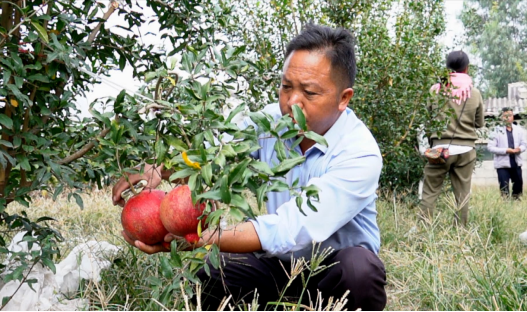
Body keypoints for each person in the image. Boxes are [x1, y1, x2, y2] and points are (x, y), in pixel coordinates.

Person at [112, 24, 387, 311]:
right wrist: (161, 168)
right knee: (212, 270)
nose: (292, 102)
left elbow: (291, 227)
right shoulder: (267, 123)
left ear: (344, 98)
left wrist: (203, 239)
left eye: (309, 92)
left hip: (332, 272)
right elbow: (215, 152)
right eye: (286, 87)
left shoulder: (359, 152)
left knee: (360, 271)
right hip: (278, 266)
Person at [420, 51, 485, 226]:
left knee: (430, 192)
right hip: (465, 150)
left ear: (447, 68)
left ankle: (424, 231)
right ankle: (460, 231)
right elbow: (479, 123)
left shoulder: (436, 90)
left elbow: (427, 120)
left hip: (440, 149)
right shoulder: (475, 92)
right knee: (463, 194)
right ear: (467, 68)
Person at [487, 107, 526, 199]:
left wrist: (520, 149)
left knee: (518, 185)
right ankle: (505, 204)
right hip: (502, 165)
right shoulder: (496, 130)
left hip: (516, 162)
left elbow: (524, 144)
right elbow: (490, 147)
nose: (508, 118)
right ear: (502, 117)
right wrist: (506, 150)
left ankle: (516, 204)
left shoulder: (519, 130)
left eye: (510, 115)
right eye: (505, 116)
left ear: (513, 117)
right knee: (504, 188)